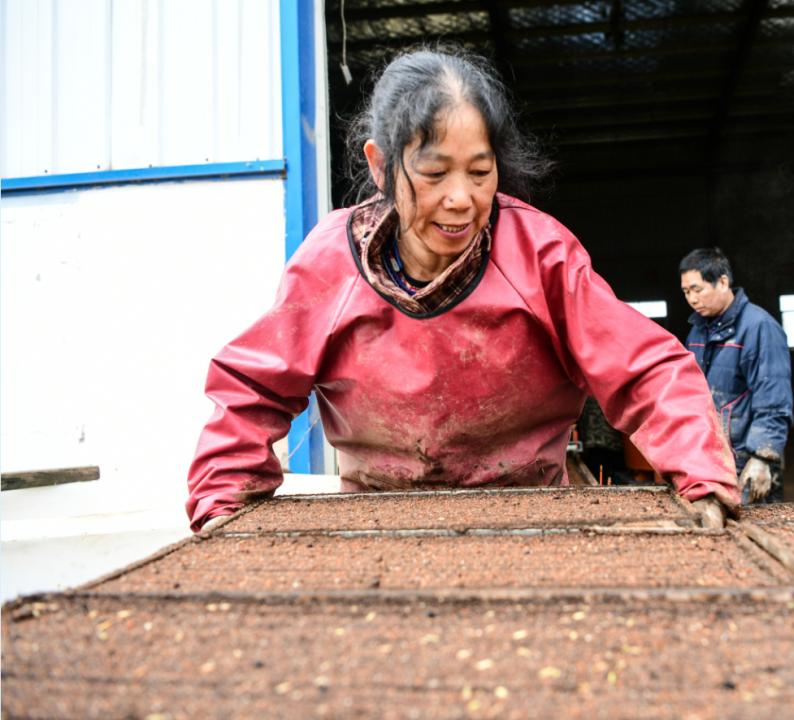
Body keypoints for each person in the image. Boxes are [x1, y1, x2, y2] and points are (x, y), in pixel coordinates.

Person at [186, 47, 738, 533]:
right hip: (375, 525)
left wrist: (701, 472)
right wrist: (222, 500)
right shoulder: (330, 261)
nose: (461, 199)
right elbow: (252, 388)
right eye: (434, 173)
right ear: (380, 165)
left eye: (479, 172)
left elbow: (646, 368)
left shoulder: (541, 253)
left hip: (537, 521)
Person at [679, 248, 793, 504]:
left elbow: (774, 399)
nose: (692, 299)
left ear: (722, 282)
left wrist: (762, 458)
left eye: (697, 289)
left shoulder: (759, 328)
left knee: (755, 523)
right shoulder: (697, 332)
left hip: (747, 462)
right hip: (710, 460)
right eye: (686, 292)